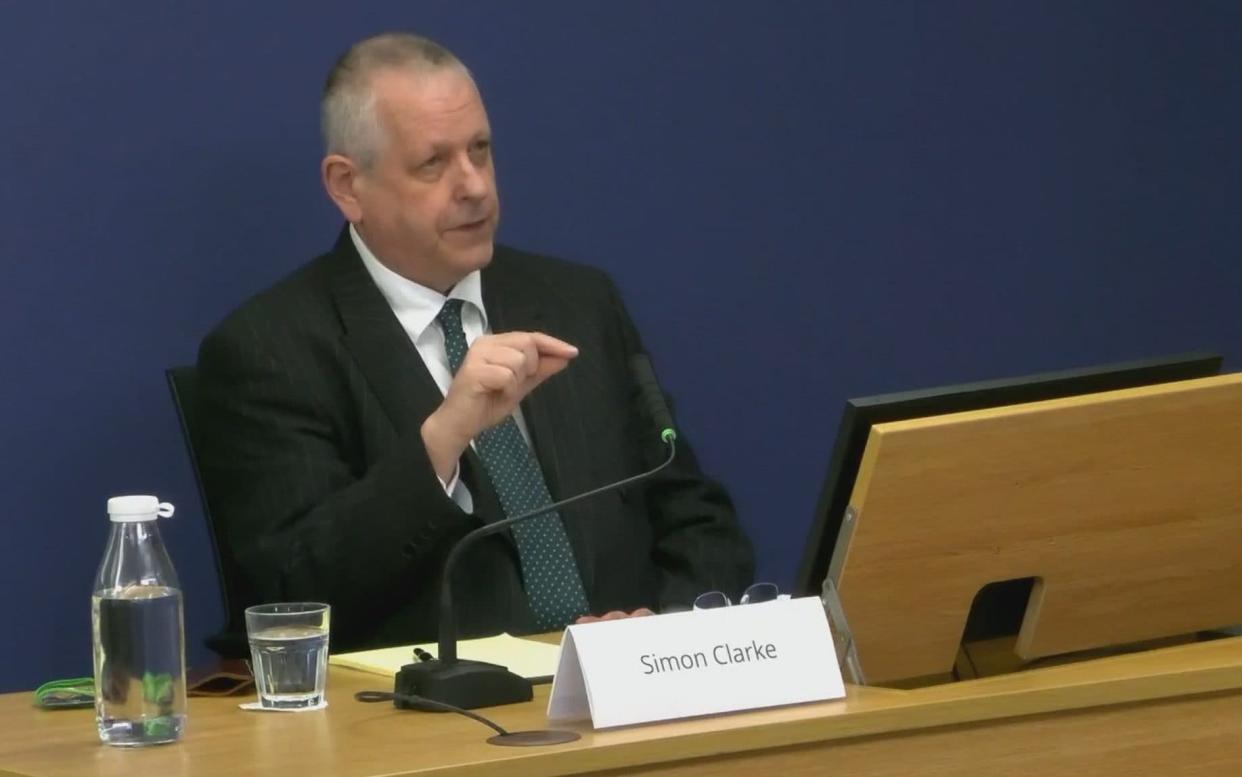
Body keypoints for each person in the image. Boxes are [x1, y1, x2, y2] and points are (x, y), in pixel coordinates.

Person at [196, 32, 753, 654]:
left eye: (480, 151)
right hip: (430, 724)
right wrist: (440, 443)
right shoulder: (269, 350)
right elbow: (289, 596)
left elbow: (695, 517)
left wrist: (663, 635)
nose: (475, 187)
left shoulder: (578, 302)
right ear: (348, 186)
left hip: (629, 700)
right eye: (433, 163)